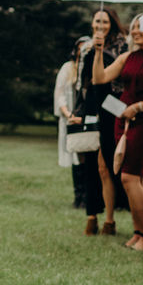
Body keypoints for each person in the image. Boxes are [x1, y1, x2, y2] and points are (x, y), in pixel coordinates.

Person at [92, 16, 143, 251]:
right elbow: (99, 78)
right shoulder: (127, 57)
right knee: (131, 177)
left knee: (130, 176)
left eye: (141, 27)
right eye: (133, 27)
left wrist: (139, 107)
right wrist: (98, 51)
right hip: (121, 120)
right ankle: (138, 232)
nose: (135, 31)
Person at [66, 8, 126, 235]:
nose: (101, 25)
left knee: (106, 167)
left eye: (106, 21)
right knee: (90, 166)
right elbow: (83, 85)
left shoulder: (121, 47)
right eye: (97, 21)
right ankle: (91, 216)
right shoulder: (87, 48)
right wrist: (77, 111)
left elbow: (119, 84)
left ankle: (109, 220)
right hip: (90, 109)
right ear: (92, 23)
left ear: (112, 23)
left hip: (111, 109)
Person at [54, 37, 89, 208]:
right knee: (76, 156)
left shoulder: (91, 69)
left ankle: (88, 197)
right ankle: (78, 196)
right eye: (79, 49)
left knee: (87, 157)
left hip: (87, 119)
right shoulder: (67, 68)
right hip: (71, 118)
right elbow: (59, 95)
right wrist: (69, 114)